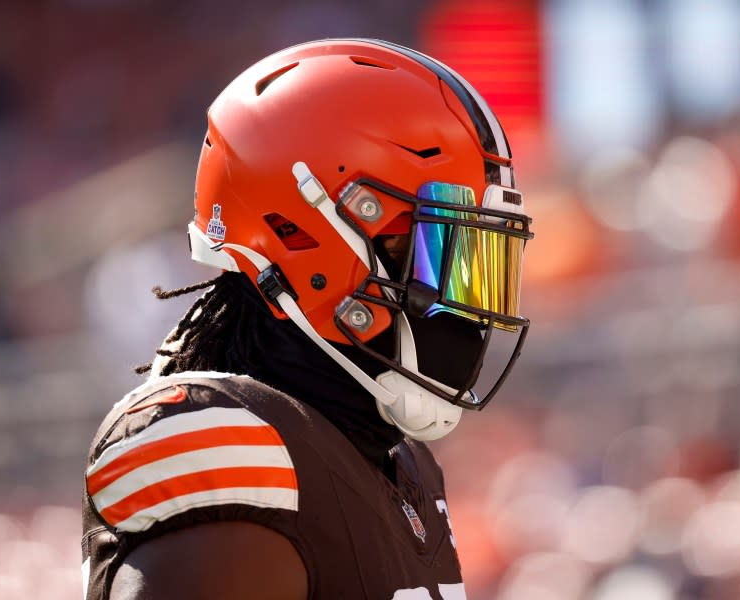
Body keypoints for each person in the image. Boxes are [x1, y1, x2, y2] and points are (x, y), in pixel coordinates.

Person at [81, 38, 532, 600]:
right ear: (306, 234)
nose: (469, 304)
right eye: (444, 257)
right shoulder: (219, 437)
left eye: (480, 265)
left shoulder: (400, 463)